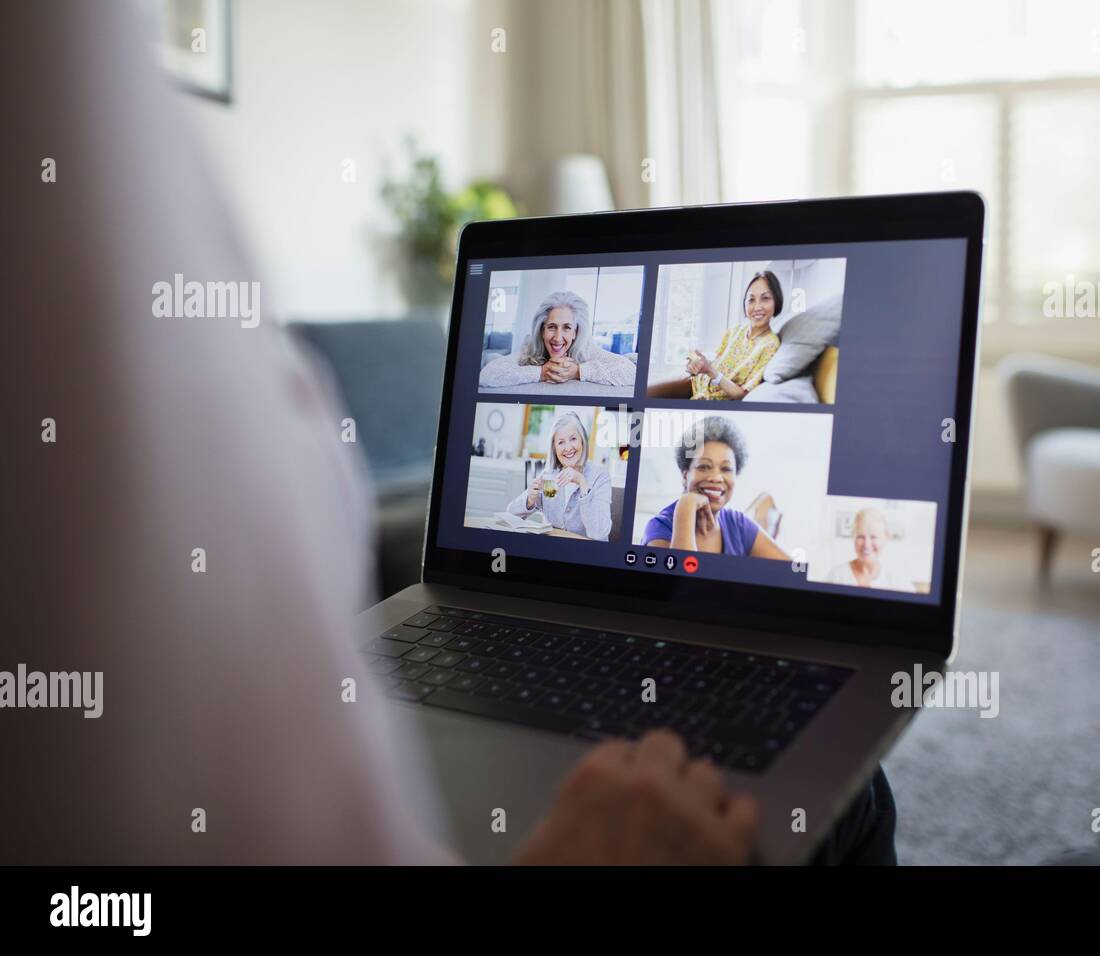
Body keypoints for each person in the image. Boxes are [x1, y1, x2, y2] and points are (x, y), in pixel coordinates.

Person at [5, 1, 895, 867]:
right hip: (493, 621)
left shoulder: (738, 414)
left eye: (713, 465)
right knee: (857, 802)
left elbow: (792, 567)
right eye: (697, 460)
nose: (703, 473)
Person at [642, 416, 789, 560]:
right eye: (704, 467)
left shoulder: (739, 524)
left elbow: (793, 574)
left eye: (726, 469)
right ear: (685, 476)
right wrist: (685, 507)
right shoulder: (660, 528)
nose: (716, 477)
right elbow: (681, 581)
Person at [648, 271, 783, 400]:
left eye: (765, 298)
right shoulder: (735, 332)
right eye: (751, 299)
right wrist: (698, 364)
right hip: (693, 382)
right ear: (744, 303)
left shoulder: (770, 345)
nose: (757, 306)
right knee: (646, 392)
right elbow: (716, 361)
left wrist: (710, 371)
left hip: (709, 396)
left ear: (776, 301)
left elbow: (742, 395)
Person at [479, 290, 636, 389]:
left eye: (567, 327)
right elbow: (487, 375)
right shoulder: (531, 346)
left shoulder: (586, 347)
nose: (558, 338)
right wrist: (542, 372)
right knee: (492, 358)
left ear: (576, 332)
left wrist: (577, 372)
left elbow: (632, 372)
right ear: (541, 330)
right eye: (552, 327)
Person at [507, 411, 612, 540]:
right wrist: (529, 499)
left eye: (573, 439)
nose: (568, 448)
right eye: (561, 442)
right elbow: (510, 514)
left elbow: (599, 533)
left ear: (582, 441)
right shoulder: (549, 476)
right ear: (554, 448)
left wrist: (582, 482)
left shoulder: (599, 476)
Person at [826, 508, 916, 592]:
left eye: (873, 537)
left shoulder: (897, 581)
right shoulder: (836, 576)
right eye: (860, 537)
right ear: (853, 538)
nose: (866, 545)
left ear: (886, 538)